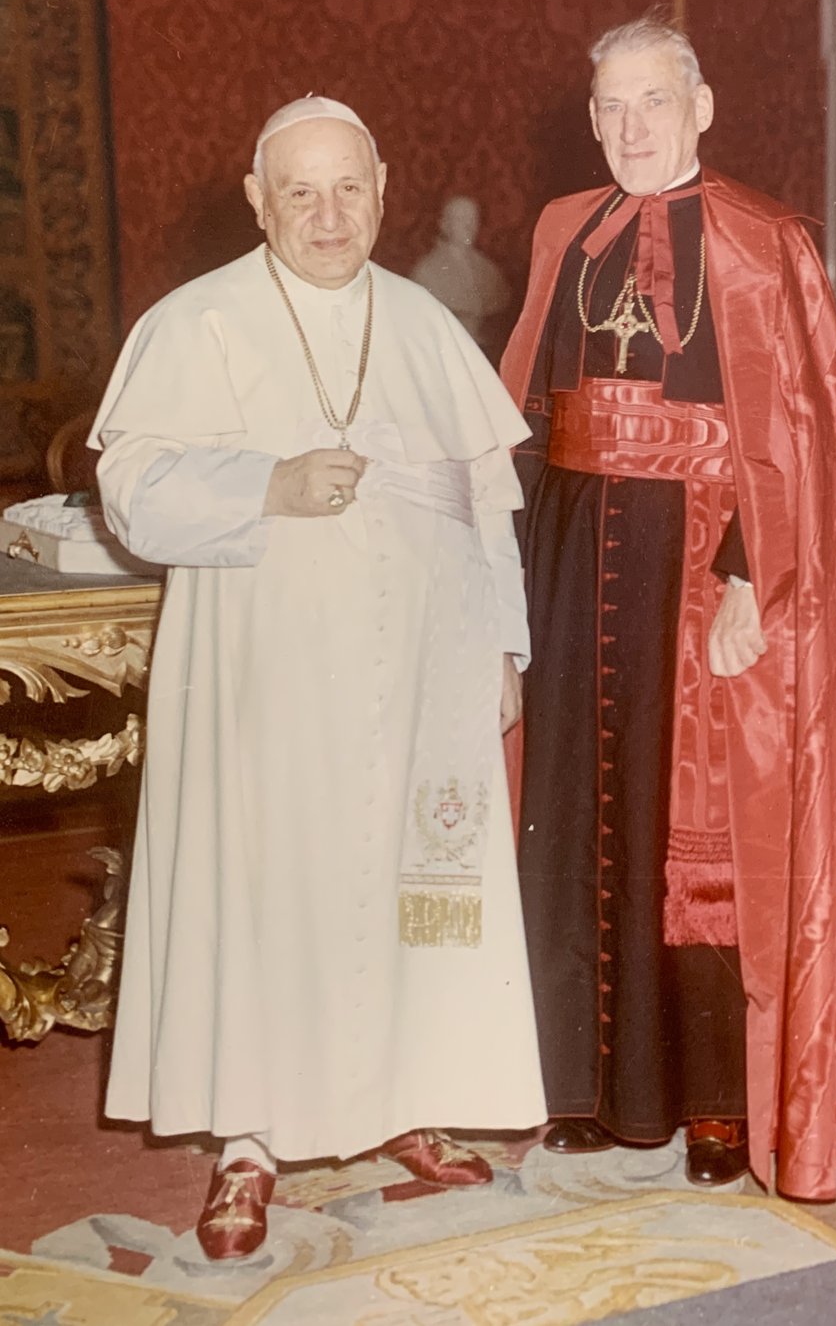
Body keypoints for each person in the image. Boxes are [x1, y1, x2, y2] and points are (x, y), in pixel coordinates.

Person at [501, 12, 836, 1200]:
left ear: (701, 107)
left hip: (700, 567)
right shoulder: (566, 229)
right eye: (609, 107)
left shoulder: (766, 242)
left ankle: (716, 1101)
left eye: (653, 102)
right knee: (574, 810)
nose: (629, 128)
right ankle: (583, 1089)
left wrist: (741, 579)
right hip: (571, 556)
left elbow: (803, 438)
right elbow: (515, 409)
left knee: (699, 844)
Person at [90, 96, 546, 1260]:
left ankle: (407, 1106)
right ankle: (249, 1144)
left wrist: (503, 642)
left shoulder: (427, 323)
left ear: (385, 186)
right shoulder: (197, 323)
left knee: (413, 889)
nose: (328, 214)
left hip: (419, 678)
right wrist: (265, 488)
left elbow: (486, 501)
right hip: (261, 678)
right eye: (300, 190)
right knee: (269, 891)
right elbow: (132, 493)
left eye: (348, 187)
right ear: (257, 199)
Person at [410, 195, 512, 362]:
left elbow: (500, 307)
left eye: (473, 219)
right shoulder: (426, 271)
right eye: (461, 219)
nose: (468, 226)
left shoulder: (489, 269)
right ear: (444, 225)